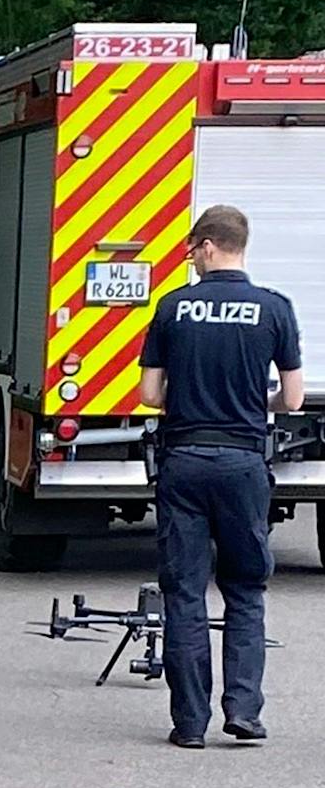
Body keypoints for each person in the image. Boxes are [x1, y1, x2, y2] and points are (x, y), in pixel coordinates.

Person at [138, 204, 304, 748]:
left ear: (208, 246)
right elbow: (294, 398)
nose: (190, 260)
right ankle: (244, 712)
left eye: (191, 250)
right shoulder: (274, 309)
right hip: (243, 464)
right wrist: (257, 403)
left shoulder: (172, 308)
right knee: (245, 590)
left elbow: (150, 396)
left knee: (185, 592)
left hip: (184, 461)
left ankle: (189, 724)